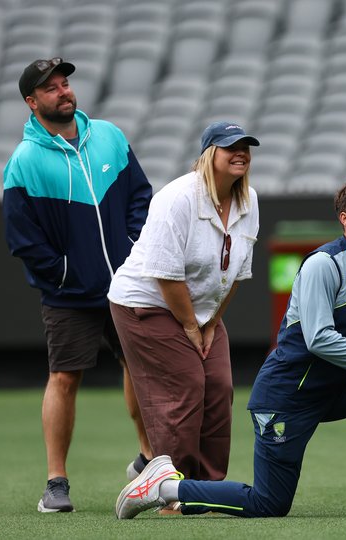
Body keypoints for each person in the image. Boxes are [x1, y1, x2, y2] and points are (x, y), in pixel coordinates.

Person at [115, 178, 346, 519]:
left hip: (333, 390)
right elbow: (319, 338)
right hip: (287, 399)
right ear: (345, 219)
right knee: (269, 504)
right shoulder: (322, 265)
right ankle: (164, 487)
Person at [2, 57, 153, 513]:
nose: (63, 91)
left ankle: (150, 459)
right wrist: (65, 273)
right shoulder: (24, 161)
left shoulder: (109, 135)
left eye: (65, 83)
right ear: (32, 102)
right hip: (69, 294)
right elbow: (22, 238)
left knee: (141, 368)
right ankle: (56, 483)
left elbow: (140, 198)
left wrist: (130, 250)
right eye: (51, 88)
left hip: (126, 285)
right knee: (64, 377)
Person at [108, 121, 261, 486]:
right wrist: (192, 325)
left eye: (246, 147)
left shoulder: (249, 199)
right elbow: (165, 274)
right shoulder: (177, 197)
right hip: (144, 304)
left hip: (201, 307)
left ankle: (206, 488)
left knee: (220, 386)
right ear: (210, 154)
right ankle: (172, 489)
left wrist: (210, 323)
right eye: (230, 147)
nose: (240, 153)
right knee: (186, 386)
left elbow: (236, 272)